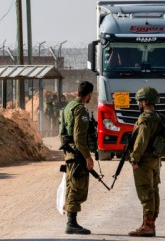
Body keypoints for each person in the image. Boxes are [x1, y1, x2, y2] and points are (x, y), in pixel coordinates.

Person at [128, 86, 163, 237]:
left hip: (144, 160)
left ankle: (147, 226)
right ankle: (150, 224)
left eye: (140, 100)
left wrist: (134, 158)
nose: (138, 103)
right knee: (153, 190)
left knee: (145, 190)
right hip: (155, 159)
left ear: (145, 101)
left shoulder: (145, 118)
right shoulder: (157, 117)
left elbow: (141, 141)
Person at [61, 81, 95, 235]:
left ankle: (71, 221)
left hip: (70, 153)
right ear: (89, 94)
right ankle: (71, 223)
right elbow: (79, 137)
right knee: (77, 187)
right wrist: (88, 157)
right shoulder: (80, 110)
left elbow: (62, 133)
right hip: (78, 154)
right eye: (90, 96)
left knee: (71, 185)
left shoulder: (68, 107)